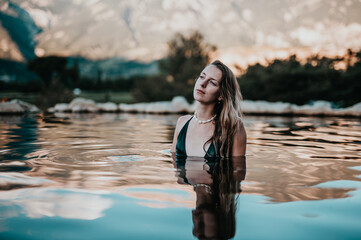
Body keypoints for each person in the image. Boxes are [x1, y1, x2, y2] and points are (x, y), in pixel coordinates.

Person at [171, 60, 246, 158]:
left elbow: (238, 171)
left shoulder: (234, 126)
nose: (202, 83)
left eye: (212, 82)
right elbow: (175, 168)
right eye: (202, 77)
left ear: (221, 95)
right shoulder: (182, 123)